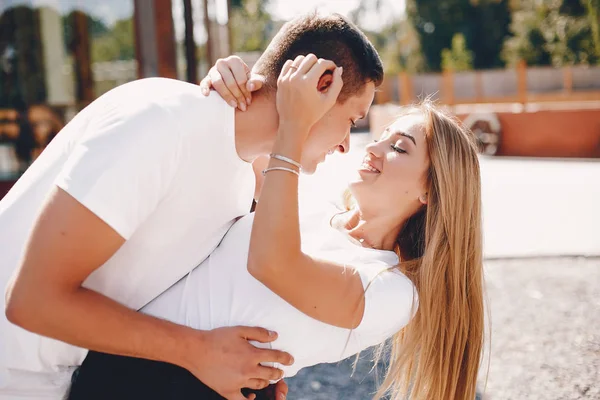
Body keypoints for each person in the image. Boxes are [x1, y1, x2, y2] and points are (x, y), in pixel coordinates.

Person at [0, 14, 383, 400]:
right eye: (352, 119)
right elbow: (32, 301)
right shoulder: (160, 126)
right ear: (320, 86)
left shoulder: (243, 174)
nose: (346, 145)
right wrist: (199, 352)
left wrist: (246, 370)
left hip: (63, 382)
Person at [65, 56, 486, 400]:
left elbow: (272, 263)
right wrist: (229, 83)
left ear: (431, 191)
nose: (372, 148)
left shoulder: (394, 290)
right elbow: (249, 142)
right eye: (379, 135)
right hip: (120, 364)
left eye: (398, 148)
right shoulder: (314, 209)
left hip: (184, 388)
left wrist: (294, 126)